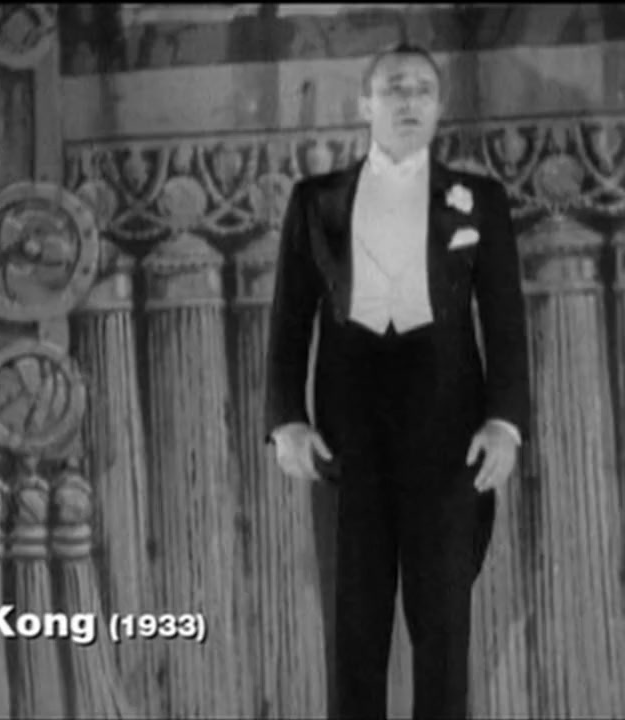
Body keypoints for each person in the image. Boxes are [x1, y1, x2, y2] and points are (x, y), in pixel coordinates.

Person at [264, 42, 530, 719]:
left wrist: (505, 423)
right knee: (352, 623)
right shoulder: (316, 201)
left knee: (443, 626)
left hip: (447, 430)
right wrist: (286, 418)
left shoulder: (480, 201)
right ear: (366, 104)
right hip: (347, 431)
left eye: (421, 90)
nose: (408, 101)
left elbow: (504, 318)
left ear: (439, 108)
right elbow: (290, 319)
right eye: (394, 89)